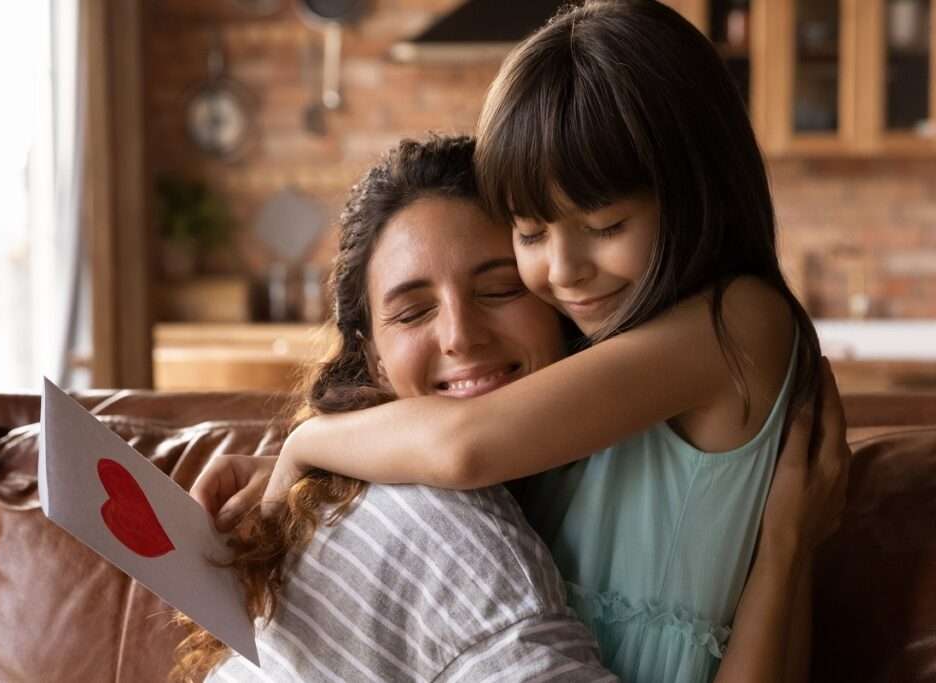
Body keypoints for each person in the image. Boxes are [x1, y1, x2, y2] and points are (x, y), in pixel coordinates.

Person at [262, 3, 830, 682]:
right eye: (530, 234)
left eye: (605, 224)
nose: (563, 271)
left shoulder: (735, 323)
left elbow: (464, 443)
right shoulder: (594, 355)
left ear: (695, 190)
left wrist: (305, 441)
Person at [177, 137, 850, 683]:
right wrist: (304, 444)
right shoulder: (447, 534)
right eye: (412, 311)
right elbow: (462, 443)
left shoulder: (568, 465)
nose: (461, 336)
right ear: (372, 357)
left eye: (499, 290)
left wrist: (787, 550)